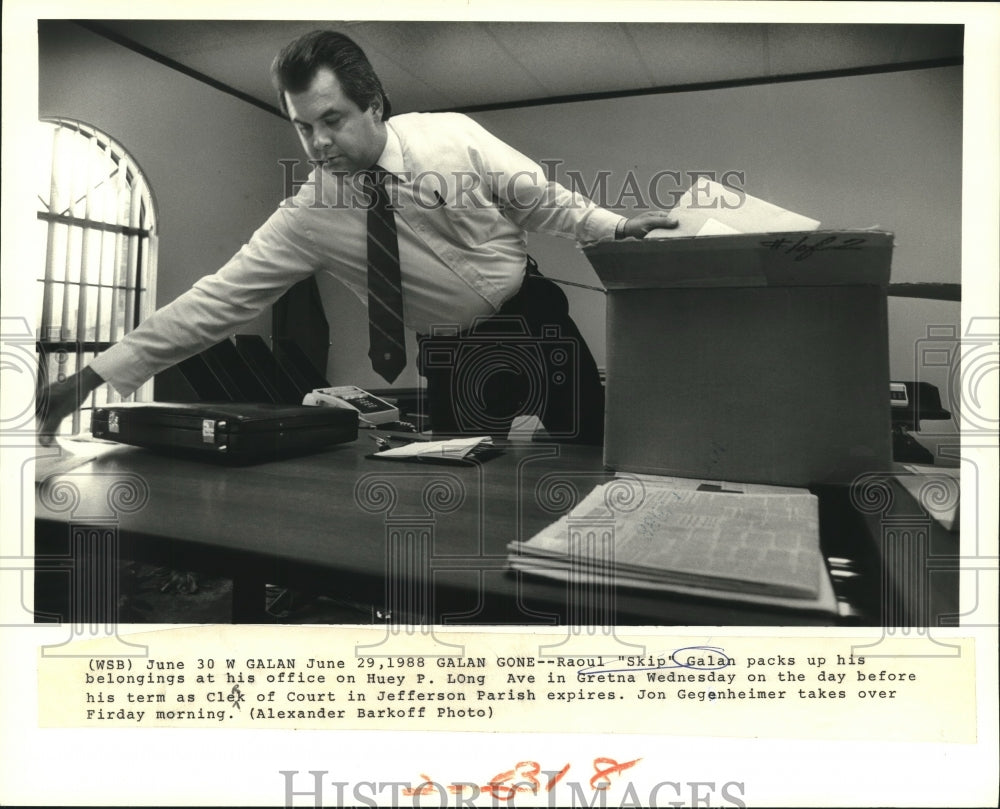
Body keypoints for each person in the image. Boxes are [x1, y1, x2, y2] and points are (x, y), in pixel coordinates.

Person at [36, 29, 677, 445]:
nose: (318, 144)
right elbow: (215, 301)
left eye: (332, 120)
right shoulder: (308, 214)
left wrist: (618, 226)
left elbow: (541, 201)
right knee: (468, 490)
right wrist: (91, 377)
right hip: (452, 356)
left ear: (376, 104)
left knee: (592, 450)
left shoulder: (450, 138)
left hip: (534, 319)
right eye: (302, 127)